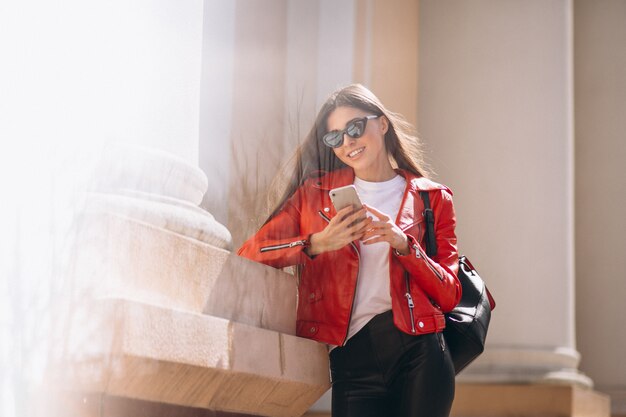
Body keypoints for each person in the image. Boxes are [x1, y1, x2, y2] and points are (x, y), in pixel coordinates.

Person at [238, 84, 461, 417]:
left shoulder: (432, 198)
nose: (348, 142)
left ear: (382, 123)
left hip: (419, 352)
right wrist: (316, 243)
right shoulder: (314, 195)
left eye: (355, 128)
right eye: (335, 137)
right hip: (351, 361)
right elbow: (250, 253)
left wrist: (403, 244)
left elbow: (450, 294)